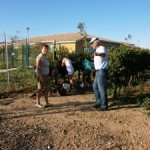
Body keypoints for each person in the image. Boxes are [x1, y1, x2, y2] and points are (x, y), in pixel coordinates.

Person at [89, 37, 109, 111]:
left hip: (102, 71)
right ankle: (99, 102)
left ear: (96, 42)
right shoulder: (97, 50)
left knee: (102, 89)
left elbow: (103, 54)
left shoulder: (101, 48)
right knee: (95, 86)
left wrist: (97, 54)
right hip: (98, 71)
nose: (91, 45)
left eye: (92, 43)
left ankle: (104, 106)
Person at [35, 44, 52, 108]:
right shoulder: (40, 57)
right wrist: (41, 76)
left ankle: (47, 103)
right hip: (41, 75)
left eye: (47, 49)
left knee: (47, 88)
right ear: (41, 49)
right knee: (40, 89)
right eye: (45, 49)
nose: (46, 50)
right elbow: (38, 67)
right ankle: (38, 103)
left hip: (46, 75)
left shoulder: (44, 57)